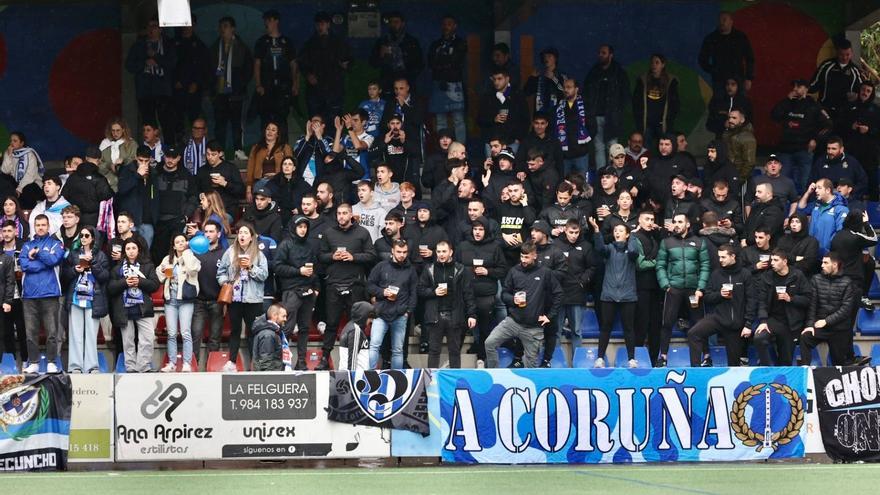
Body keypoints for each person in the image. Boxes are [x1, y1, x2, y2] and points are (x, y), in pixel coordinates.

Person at [484, 242, 562, 368]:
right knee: (489, 343)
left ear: (534, 256)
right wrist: (513, 299)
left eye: (526, 257)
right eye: (521, 256)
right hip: (513, 322)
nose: (523, 260)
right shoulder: (514, 271)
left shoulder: (545, 273)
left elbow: (558, 294)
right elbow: (504, 294)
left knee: (531, 365)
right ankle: (495, 374)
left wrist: (549, 316)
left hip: (533, 327)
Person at [318, 204, 377, 369]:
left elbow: (371, 256)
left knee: (357, 324)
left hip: (355, 284)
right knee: (331, 323)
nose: (341, 216)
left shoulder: (362, 233)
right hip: (333, 284)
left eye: (345, 213)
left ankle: (358, 357)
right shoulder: (329, 233)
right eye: (339, 213)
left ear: (351, 215)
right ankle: (324, 358)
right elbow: (321, 256)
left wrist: (353, 257)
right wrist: (332, 256)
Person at [655, 213, 710, 367]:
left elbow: (705, 266)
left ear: (688, 225)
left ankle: (706, 356)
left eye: (680, 222)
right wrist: (666, 285)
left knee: (700, 324)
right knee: (667, 322)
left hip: (694, 291)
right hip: (674, 289)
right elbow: (660, 265)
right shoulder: (667, 242)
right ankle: (663, 356)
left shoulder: (699, 242)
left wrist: (701, 288)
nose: (676, 224)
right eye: (675, 222)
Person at [686, 245, 754, 367]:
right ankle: (695, 370)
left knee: (733, 365)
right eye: (719, 257)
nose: (720, 260)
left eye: (723, 257)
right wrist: (720, 295)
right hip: (718, 318)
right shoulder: (716, 274)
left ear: (733, 256)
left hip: (736, 324)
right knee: (693, 333)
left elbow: (752, 300)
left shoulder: (745, 274)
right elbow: (707, 297)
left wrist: (748, 323)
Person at [456, 216, 507, 365]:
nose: (477, 232)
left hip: (486, 294)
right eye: (475, 229)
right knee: (459, 329)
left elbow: (502, 269)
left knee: (485, 329)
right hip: (465, 294)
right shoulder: (463, 246)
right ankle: (454, 361)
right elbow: (456, 267)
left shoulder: (495, 247)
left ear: (486, 230)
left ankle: (482, 359)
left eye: (481, 229)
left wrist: (488, 271)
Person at [217, 223, 268, 371]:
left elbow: (264, 275)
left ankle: (255, 363)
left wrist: (251, 267)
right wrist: (226, 283)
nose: (242, 235)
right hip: (235, 299)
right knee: (235, 330)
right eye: (240, 233)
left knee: (253, 332)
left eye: (245, 233)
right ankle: (232, 362)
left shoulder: (259, 254)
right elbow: (220, 272)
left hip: (253, 299)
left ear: (252, 237)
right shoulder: (230, 252)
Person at [589, 217, 639, 368]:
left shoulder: (631, 247)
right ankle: (600, 358)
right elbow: (599, 249)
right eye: (615, 231)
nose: (617, 233)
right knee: (605, 327)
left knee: (629, 328)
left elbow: (633, 252)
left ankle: (631, 359)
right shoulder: (609, 249)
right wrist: (597, 231)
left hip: (628, 295)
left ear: (627, 234)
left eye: (621, 231)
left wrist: (634, 236)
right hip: (609, 295)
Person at [418, 240, 476, 369]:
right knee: (433, 351)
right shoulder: (429, 269)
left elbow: (468, 293)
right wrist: (434, 292)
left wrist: (472, 314)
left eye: (444, 251)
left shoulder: (461, 269)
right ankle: (431, 382)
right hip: (435, 315)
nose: (441, 254)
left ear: (451, 252)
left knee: (455, 352)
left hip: (454, 315)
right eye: (438, 251)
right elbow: (420, 290)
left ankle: (454, 383)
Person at [18, 215, 64, 374]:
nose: (40, 227)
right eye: (38, 225)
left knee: (52, 332)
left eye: (43, 225)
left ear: (48, 226)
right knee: (30, 333)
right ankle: (34, 362)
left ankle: (51, 361)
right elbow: (24, 264)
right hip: (29, 295)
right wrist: (42, 263)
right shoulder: (26, 246)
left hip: (50, 293)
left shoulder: (56, 243)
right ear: (34, 227)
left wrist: (37, 254)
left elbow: (53, 260)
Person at [751, 249, 811, 366]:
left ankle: (781, 378)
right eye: (771, 260)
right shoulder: (766, 277)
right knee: (759, 338)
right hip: (772, 320)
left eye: (776, 260)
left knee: (786, 361)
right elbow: (762, 302)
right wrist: (763, 321)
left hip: (791, 323)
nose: (772, 263)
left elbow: (808, 299)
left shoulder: (797, 275)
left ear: (785, 261)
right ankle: (767, 367)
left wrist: (791, 299)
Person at [107, 238, 160, 373]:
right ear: (124, 251)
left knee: (147, 339)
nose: (131, 251)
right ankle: (130, 368)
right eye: (128, 249)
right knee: (128, 341)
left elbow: (155, 285)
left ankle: (144, 366)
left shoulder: (147, 266)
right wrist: (125, 282)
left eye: (133, 248)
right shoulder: (117, 269)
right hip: (124, 309)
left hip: (143, 308)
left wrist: (139, 282)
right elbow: (111, 288)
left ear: (138, 250)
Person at [60, 225, 107, 374]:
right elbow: (64, 276)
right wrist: (75, 270)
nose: (83, 238)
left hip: (93, 298)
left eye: (87, 236)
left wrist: (93, 263)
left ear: (93, 238)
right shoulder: (73, 255)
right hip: (75, 298)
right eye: (81, 236)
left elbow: (105, 277)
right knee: (75, 334)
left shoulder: (100, 256)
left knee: (91, 335)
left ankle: (92, 366)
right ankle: (75, 366)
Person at [273, 216, 318, 370]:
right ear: (294, 227)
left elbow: (315, 268)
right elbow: (277, 267)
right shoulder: (285, 244)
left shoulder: (310, 245)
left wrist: (316, 287)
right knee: (287, 327)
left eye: (305, 227)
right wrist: (298, 271)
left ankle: (302, 362)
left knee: (305, 328)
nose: (303, 229)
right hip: (291, 291)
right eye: (300, 227)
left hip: (308, 291)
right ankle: (281, 361)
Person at [771, 79, 832, 192]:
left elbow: (827, 125)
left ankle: (802, 207)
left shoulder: (813, 105)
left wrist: (815, 140)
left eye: (798, 87)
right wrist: (787, 100)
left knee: (804, 184)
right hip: (786, 149)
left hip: (804, 149)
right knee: (782, 183)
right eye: (794, 86)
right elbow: (774, 116)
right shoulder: (787, 103)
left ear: (806, 89)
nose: (795, 89)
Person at [366, 239, 417, 369]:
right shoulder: (381, 266)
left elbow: (413, 293)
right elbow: (369, 286)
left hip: (400, 314)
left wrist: (408, 312)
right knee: (374, 346)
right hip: (381, 314)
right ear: (392, 251)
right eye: (399, 252)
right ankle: (371, 375)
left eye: (405, 252)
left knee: (398, 350)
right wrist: (383, 292)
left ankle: (397, 378)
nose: (402, 255)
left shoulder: (411, 270)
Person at [800, 252, 857, 366]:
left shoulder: (847, 282)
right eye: (822, 262)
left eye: (826, 263)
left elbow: (846, 310)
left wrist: (826, 321)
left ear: (835, 265)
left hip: (839, 328)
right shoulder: (816, 279)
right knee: (805, 337)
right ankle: (805, 370)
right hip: (820, 326)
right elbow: (812, 305)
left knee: (838, 362)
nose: (822, 265)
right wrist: (810, 325)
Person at [210, 16, 253, 160]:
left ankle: (238, 150)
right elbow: (209, 69)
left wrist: (240, 85)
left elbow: (248, 69)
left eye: (226, 26)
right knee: (219, 124)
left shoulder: (241, 47)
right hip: (219, 92)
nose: (223, 29)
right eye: (221, 26)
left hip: (236, 93)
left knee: (236, 123)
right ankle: (219, 152)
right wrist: (212, 91)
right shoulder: (215, 47)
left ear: (233, 28)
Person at [298, 11, 353, 122]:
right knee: (316, 120)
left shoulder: (339, 43)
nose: (320, 26)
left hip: (334, 88)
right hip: (315, 90)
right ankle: (316, 139)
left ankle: (334, 139)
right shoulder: (309, 44)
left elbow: (349, 60)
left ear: (328, 24)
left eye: (323, 24)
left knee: (334, 121)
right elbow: (302, 63)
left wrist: (345, 65)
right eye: (318, 24)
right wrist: (308, 75)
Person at [157, 234, 201, 372]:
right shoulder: (167, 258)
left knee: (186, 332)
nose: (181, 243)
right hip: (171, 299)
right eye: (178, 242)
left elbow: (193, 270)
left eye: (183, 241)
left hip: (186, 300)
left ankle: (187, 363)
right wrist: (163, 271)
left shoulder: (191, 257)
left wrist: (187, 253)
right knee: (171, 333)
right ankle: (172, 363)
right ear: (174, 246)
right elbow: (159, 276)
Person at [125, 17, 176, 134]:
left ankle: (169, 150)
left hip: (163, 90)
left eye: (154, 26)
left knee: (167, 122)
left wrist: (157, 57)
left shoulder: (168, 44)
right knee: (148, 124)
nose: (151, 29)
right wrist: (144, 63)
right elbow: (129, 65)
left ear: (160, 29)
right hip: (145, 91)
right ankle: (149, 150)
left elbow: (173, 63)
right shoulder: (139, 45)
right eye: (149, 26)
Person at [584, 44, 630, 170]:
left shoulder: (619, 72)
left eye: (603, 53)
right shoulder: (594, 72)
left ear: (611, 55)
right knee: (599, 148)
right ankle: (602, 176)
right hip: (596, 116)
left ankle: (614, 176)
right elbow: (587, 93)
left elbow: (625, 95)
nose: (600, 55)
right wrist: (589, 113)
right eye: (599, 52)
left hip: (613, 117)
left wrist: (618, 112)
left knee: (613, 147)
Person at [252, 10, 297, 136]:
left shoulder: (286, 42)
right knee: (265, 120)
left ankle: (283, 150)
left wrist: (295, 84)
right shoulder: (261, 42)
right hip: (266, 88)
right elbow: (257, 64)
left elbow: (293, 64)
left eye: (269, 20)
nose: (267, 23)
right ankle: (265, 151)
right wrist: (258, 85)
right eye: (265, 21)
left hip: (283, 87)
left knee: (282, 119)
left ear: (276, 21)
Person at [151, 144, 199, 260]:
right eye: (168, 156)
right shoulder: (155, 174)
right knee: (158, 254)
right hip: (158, 221)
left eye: (173, 157)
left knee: (178, 253)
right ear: (164, 157)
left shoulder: (186, 175)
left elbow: (193, 198)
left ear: (178, 158)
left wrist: (186, 215)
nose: (170, 160)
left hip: (177, 220)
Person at [428, 14, 467, 145]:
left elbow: (457, 61)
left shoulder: (460, 43)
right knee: (440, 119)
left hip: (454, 84)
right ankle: (443, 147)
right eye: (444, 24)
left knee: (458, 119)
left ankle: (461, 148)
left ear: (455, 26)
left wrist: (444, 61)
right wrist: (445, 61)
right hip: (439, 84)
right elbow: (431, 63)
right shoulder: (436, 44)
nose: (446, 27)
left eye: (449, 24)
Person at [838, 81, 880, 199]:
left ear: (871, 93)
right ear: (859, 90)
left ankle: (874, 203)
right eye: (863, 90)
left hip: (870, 151)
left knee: (871, 178)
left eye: (868, 91)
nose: (865, 93)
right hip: (852, 149)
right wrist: (851, 126)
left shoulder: (876, 110)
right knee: (850, 176)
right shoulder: (849, 106)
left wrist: (869, 130)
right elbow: (839, 125)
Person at [379, 79, 424, 189]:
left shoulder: (416, 101)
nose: (398, 91)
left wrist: (404, 106)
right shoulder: (390, 103)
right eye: (396, 89)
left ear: (408, 88)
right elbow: (383, 124)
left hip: (411, 142)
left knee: (412, 178)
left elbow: (418, 121)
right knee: (394, 177)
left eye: (401, 88)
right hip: (394, 145)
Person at [831, 210, 878, 313]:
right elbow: (874, 239)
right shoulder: (856, 237)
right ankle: (864, 296)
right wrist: (866, 223)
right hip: (854, 279)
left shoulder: (837, 235)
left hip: (836, 276)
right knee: (870, 262)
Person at [191, 220, 224, 367]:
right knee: (195, 335)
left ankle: (213, 366)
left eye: (212, 231)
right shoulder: (195, 252)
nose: (208, 234)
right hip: (198, 301)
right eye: (206, 232)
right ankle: (193, 365)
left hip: (217, 301)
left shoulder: (225, 253)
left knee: (215, 338)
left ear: (219, 234)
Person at [698, 12, 754, 95]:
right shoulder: (711, 38)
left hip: (738, 79)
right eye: (720, 20)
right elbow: (702, 59)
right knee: (720, 105)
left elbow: (750, 58)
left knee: (739, 105)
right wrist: (713, 70)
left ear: (731, 21)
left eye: (724, 19)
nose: (721, 22)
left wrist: (749, 78)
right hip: (719, 81)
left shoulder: (740, 37)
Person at [171, 19, 211, 137]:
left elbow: (204, 68)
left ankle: (196, 148)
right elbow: (171, 65)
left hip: (194, 90)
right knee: (177, 121)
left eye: (190, 24)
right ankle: (179, 147)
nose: (187, 26)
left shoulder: (199, 45)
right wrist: (175, 81)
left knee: (194, 120)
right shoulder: (174, 43)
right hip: (177, 89)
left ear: (194, 25)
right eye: (185, 23)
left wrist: (197, 83)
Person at [369, 11, 423, 97]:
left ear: (402, 23)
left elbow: (419, 63)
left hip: (405, 79)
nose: (393, 25)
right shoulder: (382, 41)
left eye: (396, 22)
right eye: (391, 22)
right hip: (387, 81)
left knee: (406, 107)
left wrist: (410, 77)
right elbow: (373, 63)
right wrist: (381, 55)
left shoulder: (411, 42)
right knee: (388, 107)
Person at [809, 38, 863, 119]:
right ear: (837, 53)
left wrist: (856, 96)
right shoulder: (826, 66)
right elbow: (814, 85)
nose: (844, 57)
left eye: (847, 54)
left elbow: (861, 91)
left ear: (852, 53)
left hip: (845, 112)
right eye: (841, 54)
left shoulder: (855, 70)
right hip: (825, 110)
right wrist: (803, 89)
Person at [478, 68, 529, 153]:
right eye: (494, 79)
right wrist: (493, 119)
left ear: (507, 79)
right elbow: (479, 119)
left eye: (499, 79)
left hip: (511, 142)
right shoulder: (488, 96)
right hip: (491, 143)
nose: (496, 82)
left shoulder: (518, 96)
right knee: (490, 166)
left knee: (511, 166)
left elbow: (525, 119)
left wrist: (518, 138)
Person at [633, 54, 679, 146]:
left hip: (663, 123)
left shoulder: (670, 81)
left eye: (657, 62)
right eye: (652, 62)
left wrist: (669, 118)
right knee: (646, 150)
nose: (654, 65)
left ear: (663, 65)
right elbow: (636, 102)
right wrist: (640, 119)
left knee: (664, 150)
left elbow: (675, 103)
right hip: (647, 124)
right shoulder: (643, 80)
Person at [798, 178, 848, 256]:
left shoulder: (841, 209)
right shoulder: (816, 205)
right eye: (816, 188)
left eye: (819, 188)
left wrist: (829, 250)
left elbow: (841, 234)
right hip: (812, 252)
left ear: (828, 190)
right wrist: (808, 193)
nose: (816, 191)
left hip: (829, 255)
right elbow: (801, 209)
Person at [246, 121, 293, 202]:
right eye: (268, 129)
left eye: (273, 130)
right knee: (260, 193)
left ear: (277, 134)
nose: (270, 132)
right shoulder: (256, 148)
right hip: (260, 181)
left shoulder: (285, 147)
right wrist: (248, 190)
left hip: (278, 181)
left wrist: (276, 175)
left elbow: (291, 166)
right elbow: (250, 169)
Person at [196, 140, 246, 216]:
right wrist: (200, 195)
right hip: (207, 211)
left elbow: (241, 191)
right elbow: (195, 190)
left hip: (226, 210)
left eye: (213, 154)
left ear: (221, 154)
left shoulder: (231, 168)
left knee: (215, 223)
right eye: (208, 154)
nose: (210, 157)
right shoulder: (202, 170)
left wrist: (225, 183)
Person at [555, 78, 592, 177]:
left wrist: (584, 144)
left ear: (576, 89)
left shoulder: (585, 105)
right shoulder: (559, 106)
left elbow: (592, 127)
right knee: (564, 185)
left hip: (581, 153)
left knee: (582, 184)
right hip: (564, 155)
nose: (566, 90)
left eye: (569, 87)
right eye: (564, 87)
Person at [0, 222, 24, 363]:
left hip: (21, 295)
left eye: (10, 230)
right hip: (5, 298)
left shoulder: (23, 248)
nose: (7, 233)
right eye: (4, 231)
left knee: (22, 330)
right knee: (6, 332)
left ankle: (26, 360)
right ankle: (10, 361)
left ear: (16, 232)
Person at [2, 132, 44, 210]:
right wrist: (9, 155)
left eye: (15, 141)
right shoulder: (8, 153)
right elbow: (5, 171)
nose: (11, 143)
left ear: (22, 143)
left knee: (28, 189)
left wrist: (19, 189)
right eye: (11, 141)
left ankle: (28, 214)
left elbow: (30, 175)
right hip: (16, 183)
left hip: (31, 183)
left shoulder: (29, 154)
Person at [266, 156, 311, 228]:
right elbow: (266, 196)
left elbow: (311, 199)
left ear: (294, 168)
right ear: (281, 167)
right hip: (278, 216)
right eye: (284, 164)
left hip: (297, 216)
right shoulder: (274, 182)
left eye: (290, 164)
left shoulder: (301, 183)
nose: (287, 166)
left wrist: (300, 209)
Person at [517, 112, 564, 178]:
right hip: (531, 175)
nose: (539, 126)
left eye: (542, 123)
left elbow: (559, 163)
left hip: (550, 177)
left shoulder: (554, 141)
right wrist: (530, 167)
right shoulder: (526, 141)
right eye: (537, 123)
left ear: (546, 124)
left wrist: (560, 181)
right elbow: (519, 161)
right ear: (533, 124)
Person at [98, 117, 138, 192]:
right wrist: (109, 165)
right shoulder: (105, 145)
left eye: (118, 130)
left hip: (127, 185)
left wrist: (124, 161)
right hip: (108, 185)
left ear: (123, 130)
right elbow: (98, 165)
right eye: (113, 131)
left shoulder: (131, 144)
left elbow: (136, 161)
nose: (115, 133)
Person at [524, 47, 567, 114]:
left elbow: (565, 93)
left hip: (556, 114)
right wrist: (532, 78)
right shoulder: (539, 74)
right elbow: (527, 92)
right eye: (545, 56)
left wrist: (554, 79)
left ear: (555, 59)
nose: (546, 58)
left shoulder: (561, 75)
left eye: (549, 56)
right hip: (540, 116)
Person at [293, 114, 333, 187]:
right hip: (302, 179)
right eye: (312, 122)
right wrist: (307, 136)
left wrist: (319, 137)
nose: (313, 124)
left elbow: (329, 157)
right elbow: (296, 155)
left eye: (316, 121)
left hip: (320, 180)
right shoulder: (302, 138)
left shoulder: (329, 140)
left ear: (323, 125)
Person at [335, 109, 374, 181]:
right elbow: (335, 151)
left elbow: (358, 146)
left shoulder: (369, 137)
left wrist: (349, 128)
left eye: (355, 120)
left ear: (364, 122)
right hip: (348, 179)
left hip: (363, 179)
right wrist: (338, 130)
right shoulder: (346, 137)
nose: (352, 123)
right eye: (351, 121)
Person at [251, 303, 288, 372]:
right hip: (269, 377)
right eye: (283, 316)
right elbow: (266, 362)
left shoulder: (273, 332)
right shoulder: (268, 335)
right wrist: (269, 379)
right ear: (274, 315)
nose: (285, 319)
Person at [722, 109, 756, 181]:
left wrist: (739, 178)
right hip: (727, 175)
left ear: (742, 120)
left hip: (739, 177)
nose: (730, 120)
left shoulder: (747, 137)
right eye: (729, 118)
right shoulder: (727, 134)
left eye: (734, 118)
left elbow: (749, 163)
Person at [338, 301, 373, 370]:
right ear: (363, 315)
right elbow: (352, 358)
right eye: (370, 317)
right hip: (356, 377)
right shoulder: (355, 330)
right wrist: (352, 377)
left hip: (350, 376)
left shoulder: (349, 327)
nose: (371, 320)